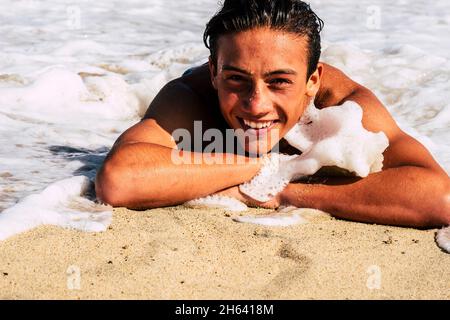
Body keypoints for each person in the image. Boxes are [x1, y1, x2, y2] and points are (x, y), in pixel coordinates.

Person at [95, 0, 449, 228]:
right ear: (214, 73)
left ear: (312, 81)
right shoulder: (190, 96)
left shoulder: (343, 105)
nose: (256, 104)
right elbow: (119, 180)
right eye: (236, 79)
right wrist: (264, 169)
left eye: (279, 82)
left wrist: (285, 191)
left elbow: (440, 197)